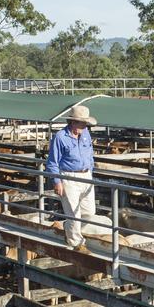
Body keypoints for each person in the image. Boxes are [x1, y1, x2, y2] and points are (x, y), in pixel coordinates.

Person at [46, 105, 111, 252]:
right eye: (82, 123)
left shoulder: (86, 133)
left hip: (86, 175)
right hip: (69, 176)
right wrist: (57, 181)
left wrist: (90, 169)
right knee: (73, 213)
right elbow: (52, 162)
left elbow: (89, 153)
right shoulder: (61, 137)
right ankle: (76, 244)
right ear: (73, 122)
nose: (85, 125)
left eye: (86, 123)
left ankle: (71, 229)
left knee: (89, 211)